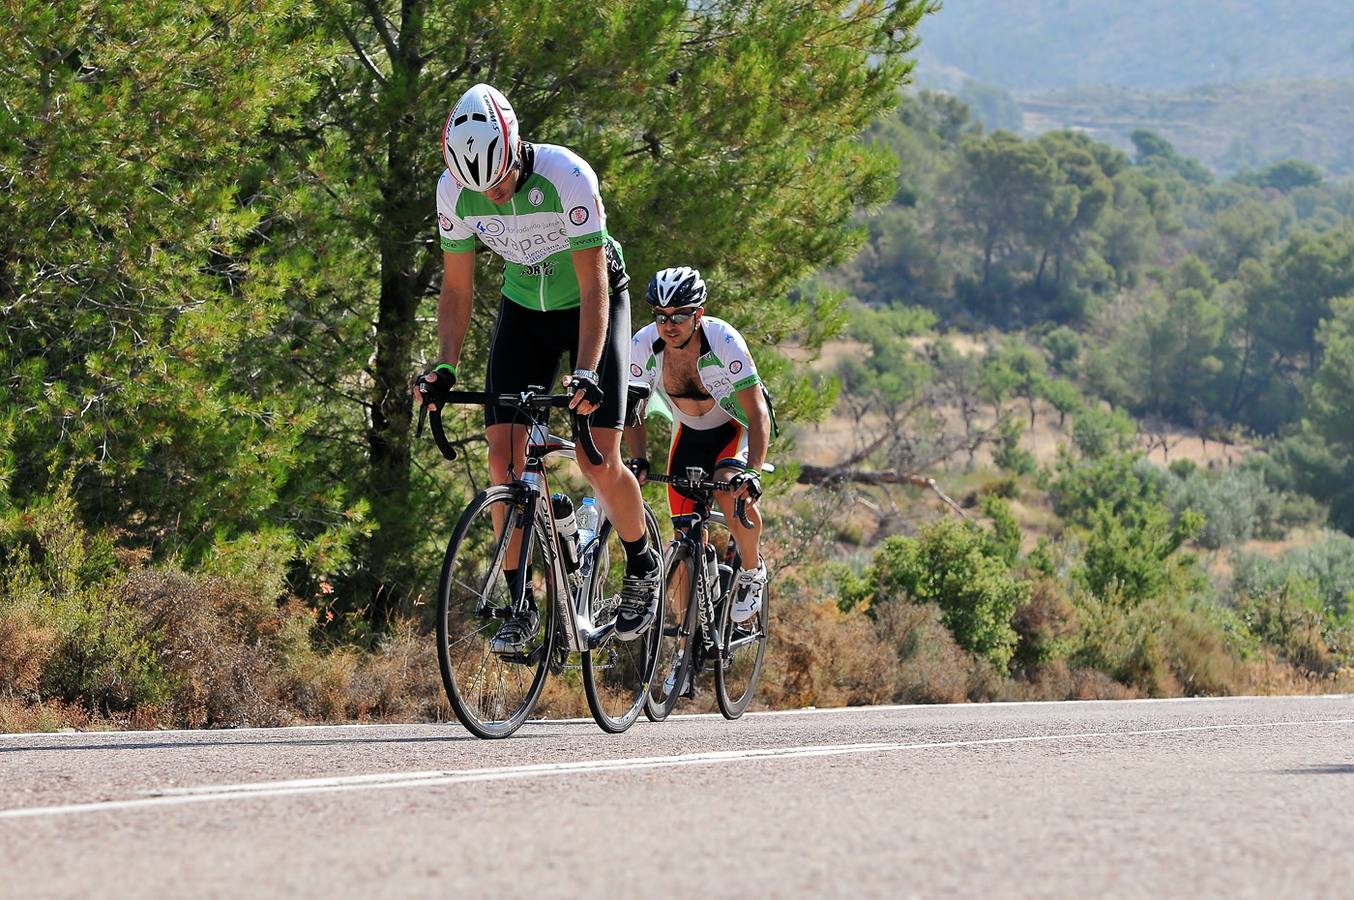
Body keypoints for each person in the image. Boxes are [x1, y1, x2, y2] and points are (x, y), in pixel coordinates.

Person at [413, 83, 660, 651]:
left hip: (591, 305)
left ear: (516, 145)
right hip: (524, 308)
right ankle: (521, 602)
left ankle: (641, 558)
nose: (494, 197)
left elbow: (596, 286)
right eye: (482, 190)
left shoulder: (568, 177)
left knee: (599, 457)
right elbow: (456, 290)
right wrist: (445, 366)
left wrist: (590, 370)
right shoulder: (455, 191)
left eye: (499, 181)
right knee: (503, 460)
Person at [624, 266, 770, 624]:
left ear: (698, 313)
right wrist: (639, 458)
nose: (668, 324)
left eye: (678, 315)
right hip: (689, 433)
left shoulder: (723, 339)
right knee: (683, 534)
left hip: (734, 426)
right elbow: (632, 411)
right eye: (660, 316)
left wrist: (751, 472)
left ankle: (752, 571)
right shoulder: (644, 344)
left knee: (729, 488)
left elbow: (758, 412)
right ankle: (688, 645)